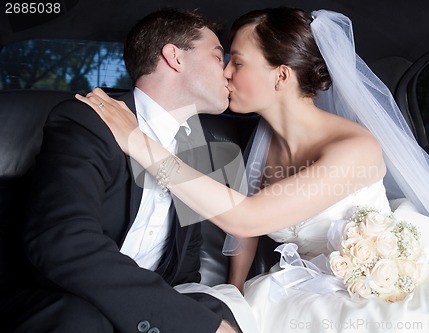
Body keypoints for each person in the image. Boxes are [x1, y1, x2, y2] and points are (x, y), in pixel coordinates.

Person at [78, 7, 429, 333]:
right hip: (291, 289)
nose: (223, 72)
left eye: (237, 62)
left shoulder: (355, 148)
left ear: (280, 75)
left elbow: (245, 215)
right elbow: (243, 234)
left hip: (371, 293)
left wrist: (140, 144)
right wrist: (237, 291)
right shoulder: (262, 140)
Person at [2, 8, 259, 333]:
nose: (228, 73)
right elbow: (63, 241)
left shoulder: (196, 151)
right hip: (66, 297)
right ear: (175, 58)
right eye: (218, 56)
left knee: (225, 310)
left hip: (149, 307)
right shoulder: (88, 120)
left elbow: (186, 266)